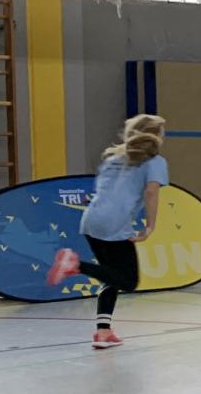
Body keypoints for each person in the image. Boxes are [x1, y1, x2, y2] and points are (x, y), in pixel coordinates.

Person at [44, 116, 169, 349]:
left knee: (110, 276)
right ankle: (75, 264)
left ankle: (103, 332)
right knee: (129, 281)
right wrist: (150, 226)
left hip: (91, 220)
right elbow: (152, 192)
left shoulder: (113, 158)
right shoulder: (155, 161)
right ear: (155, 136)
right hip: (115, 223)